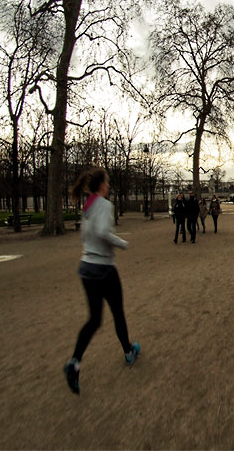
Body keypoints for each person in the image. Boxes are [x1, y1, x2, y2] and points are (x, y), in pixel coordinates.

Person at [63, 168, 140, 395]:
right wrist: (122, 243)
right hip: (103, 268)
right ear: (102, 185)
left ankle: (75, 362)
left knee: (94, 319)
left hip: (86, 267)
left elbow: (87, 236)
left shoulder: (87, 206)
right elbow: (103, 232)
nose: (109, 185)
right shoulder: (105, 205)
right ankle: (128, 352)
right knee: (117, 312)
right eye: (107, 182)